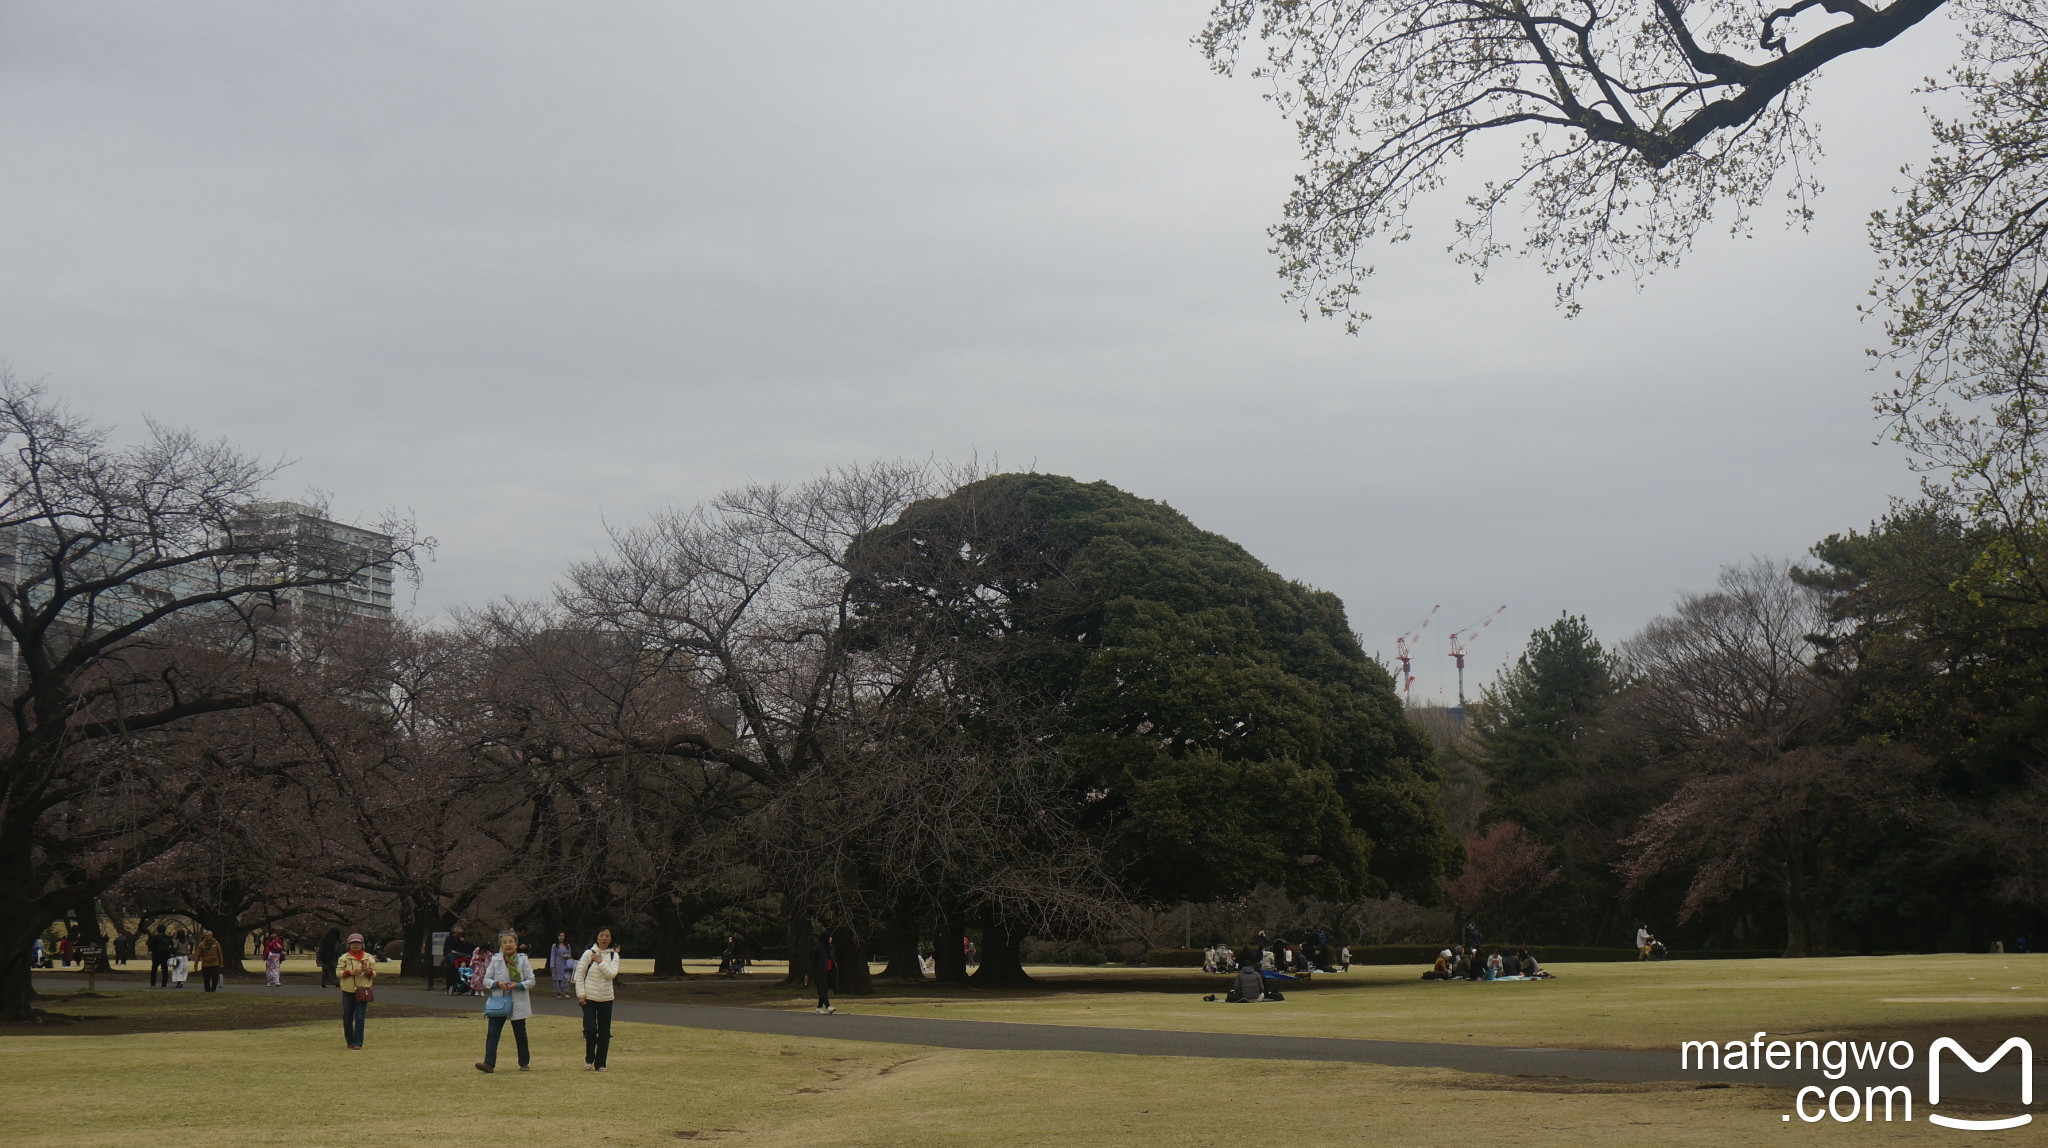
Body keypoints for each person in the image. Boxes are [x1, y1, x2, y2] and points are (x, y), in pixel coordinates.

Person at [476, 931, 535, 1072]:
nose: (508, 945)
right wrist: (497, 984)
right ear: (501, 946)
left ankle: (524, 1062)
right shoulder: (496, 960)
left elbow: (531, 980)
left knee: (520, 1033)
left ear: (516, 944)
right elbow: (486, 980)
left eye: (510, 942)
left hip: (518, 1000)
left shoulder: (522, 960)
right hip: (499, 1001)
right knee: (493, 1033)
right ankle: (489, 1063)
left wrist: (518, 985)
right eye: (504, 942)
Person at [576, 927, 620, 1072]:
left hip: (606, 998)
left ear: (611, 938)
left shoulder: (614, 956)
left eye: (607, 936)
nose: (604, 938)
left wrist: (600, 962)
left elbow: (611, 974)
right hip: (589, 998)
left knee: (604, 1032)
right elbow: (579, 974)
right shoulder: (589, 954)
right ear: (596, 937)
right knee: (590, 1029)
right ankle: (589, 1058)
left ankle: (601, 1063)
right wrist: (581, 995)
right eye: (601, 935)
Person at [336, 933, 374, 1049]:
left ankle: (357, 1042)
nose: (356, 945)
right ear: (349, 945)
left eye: (358, 943)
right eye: (353, 943)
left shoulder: (368, 957)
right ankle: (349, 1039)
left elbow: (374, 973)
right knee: (347, 1017)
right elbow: (338, 973)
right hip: (348, 991)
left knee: (360, 1017)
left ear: (362, 944)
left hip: (363, 991)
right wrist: (349, 973)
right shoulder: (344, 958)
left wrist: (367, 971)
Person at [807, 932, 837, 1014]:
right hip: (819, 972)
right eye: (829, 937)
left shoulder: (830, 948)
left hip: (829, 971)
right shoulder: (817, 949)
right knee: (823, 989)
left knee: (824, 989)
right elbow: (812, 961)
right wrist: (808, 973)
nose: (831, 939)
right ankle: (828, 1006)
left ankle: (819, 1007)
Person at [550, 932, 574, 999]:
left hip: (566, 964)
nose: (561, 937)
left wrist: (566, 956)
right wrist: (552, 966)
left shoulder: (567, 945)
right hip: (557, 964)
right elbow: (552, 955)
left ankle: (566, 992)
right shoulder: (554, 946)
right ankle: (558, 993)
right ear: (557, 937)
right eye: (559, 936)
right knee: (558, 979)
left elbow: (570, 954)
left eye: (562, 936)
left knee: (567, 978)